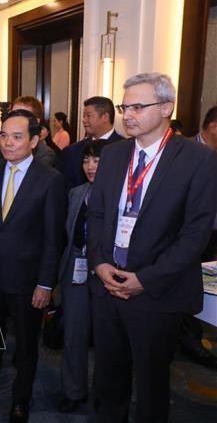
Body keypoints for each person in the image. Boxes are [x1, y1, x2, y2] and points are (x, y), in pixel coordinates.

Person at [86, 73, 217, 422]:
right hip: (108, 284)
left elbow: (195, 235)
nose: (127, 114)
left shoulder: (198, 160)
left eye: (137, 107)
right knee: (108, 378)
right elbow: (96, 214)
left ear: (166, 109)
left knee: (151, 384)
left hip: (158, 293)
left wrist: (146, 278)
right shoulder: (113, 155)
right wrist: (99, 264)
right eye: (124, 106)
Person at [0, 109, 66, 421]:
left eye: (16, 137)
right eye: (3, 136)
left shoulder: (51, 180)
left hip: (27, 279)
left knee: (26, 345)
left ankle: (21, 398)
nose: (7, 143)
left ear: (34, 140)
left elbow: (52, 238)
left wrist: (46, 283)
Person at [58, 139, 108, 413]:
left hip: (106, 274)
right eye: (86, 160)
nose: (90, 166)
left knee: (106, 339)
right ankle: (73, 390)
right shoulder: (76, 193)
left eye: (96, 161)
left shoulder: (119, 196)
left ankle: (104, 393)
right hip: (75, 267)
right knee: (74, 334)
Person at [57, 96, 124, 189]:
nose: (84, 120)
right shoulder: (72, 152)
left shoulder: (125, 148)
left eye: (88, 116)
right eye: (83, 116)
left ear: (105, 117)